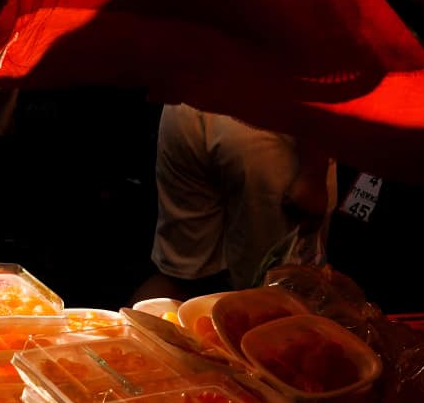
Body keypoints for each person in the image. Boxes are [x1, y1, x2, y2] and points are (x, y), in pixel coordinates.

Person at [132, 104, 336, 303]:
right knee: (273, 296)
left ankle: (120, 335)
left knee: (179, 278)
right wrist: (313, 174)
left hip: (191, 98)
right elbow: (323, 75)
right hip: (271, 114)